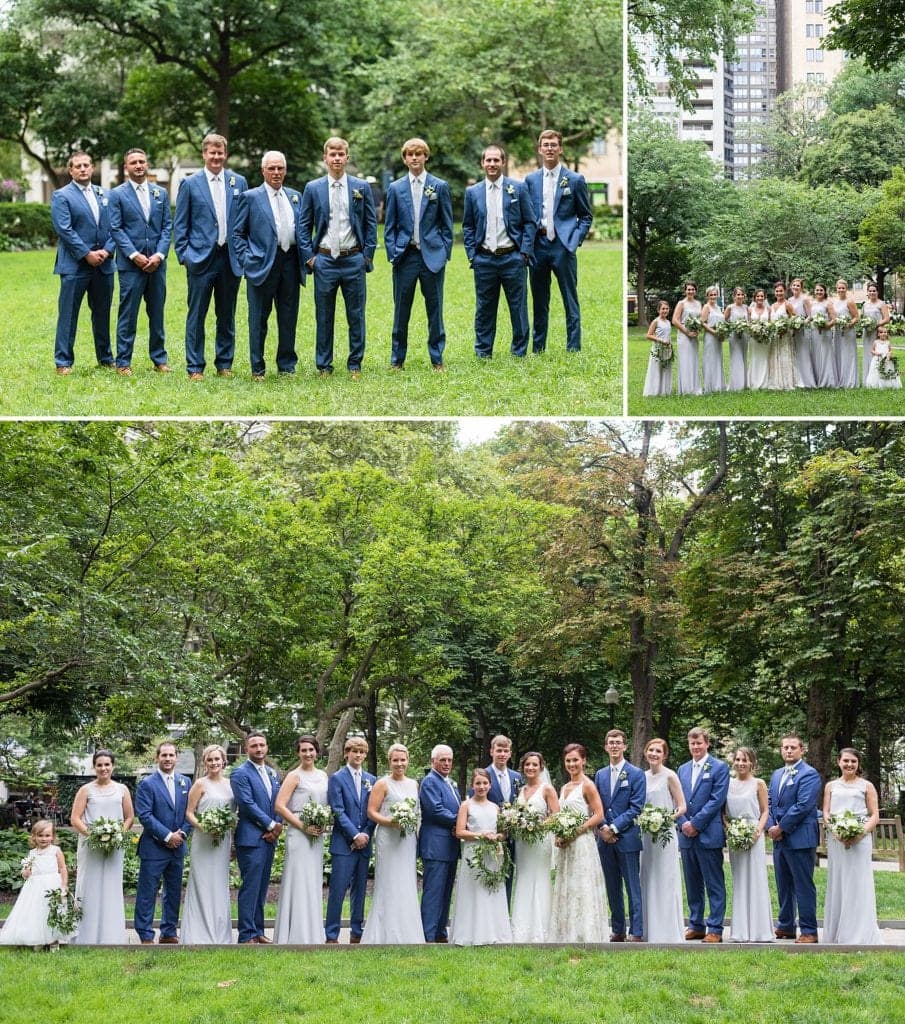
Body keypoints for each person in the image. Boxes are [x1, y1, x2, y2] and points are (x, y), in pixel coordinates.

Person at [298, 136, 378, 378]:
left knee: (356, 315)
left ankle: (355, 364)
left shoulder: (360, 187)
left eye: (340, 154)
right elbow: (303, 226)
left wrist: (366, 256)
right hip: (324, 261)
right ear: (325, 158)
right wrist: (310, 258)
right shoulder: (313, 188)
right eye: (332, 154)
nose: (336, 158)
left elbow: (370, 223)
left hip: (353, 259)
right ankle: (324, 365)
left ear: (347, 157)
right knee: (324, 316)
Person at [174, 133, 248, 380]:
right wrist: (184, 255)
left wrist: (243, 253)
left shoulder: (239, 182)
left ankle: (224, 363)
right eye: (212, 153)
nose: (216, 157)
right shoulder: (190, 183)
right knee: (197, 314)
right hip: (200, 258)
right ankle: (195, 366)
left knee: (226, 314)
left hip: (230, 258)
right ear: (204, 154)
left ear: (225, 154)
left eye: (220, 153)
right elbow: (181, 223)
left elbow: (245, 222)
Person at [229, 150, 303, 380]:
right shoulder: (249, 197)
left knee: (289, 316)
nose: (276, 172)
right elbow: (237, 233)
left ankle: (286, 365)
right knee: (258, 318)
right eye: (271, 168)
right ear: (263, 171)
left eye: (280, 168)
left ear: (285, 170)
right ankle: (257, 367)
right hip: (261, 265)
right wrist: (246, 260)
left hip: (290, 262)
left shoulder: (294, 196)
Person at [462, 143, 538, 359]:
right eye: (488, 160)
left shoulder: (518, 188)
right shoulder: (473, 192)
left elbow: (529, 222)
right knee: (484, 308)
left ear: (503, 163)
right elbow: (468, 225)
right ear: (482, 163)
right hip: (484, 259)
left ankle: (519, 351)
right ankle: (483, 352)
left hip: (512, 257)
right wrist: (472, 254)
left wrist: (524, 252)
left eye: (496, 160)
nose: (492, 164)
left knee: (518, 307)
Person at [384, 137, 453, 371]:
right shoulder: (395, 188)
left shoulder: (439, 186)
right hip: (405, 257)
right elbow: (390, 225)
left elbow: (446, 224)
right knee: (401, 310)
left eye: (419, 154)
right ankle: (397, 359)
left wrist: (444, 252)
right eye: (410, 154)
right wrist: (393, 252)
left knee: (435, 310)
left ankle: (437, 357)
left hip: (432, 256)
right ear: (405, 159)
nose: (414, 158)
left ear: (426, 156)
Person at [525, 128, 593, 353]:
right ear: (540, 149)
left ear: (561, 149)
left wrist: (575, 240)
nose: (550, 149)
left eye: (554, 145)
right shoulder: (530, 180)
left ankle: (573, 347)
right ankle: (538, 347)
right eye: (546, 145)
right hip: (538, 245)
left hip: (563, 246)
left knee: (569, 299)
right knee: (539, 300)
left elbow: (585, 216)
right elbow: (526, 215)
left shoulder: (574, 180)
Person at [108, 148, 172, 376]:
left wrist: (160, 255)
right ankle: (123, 362)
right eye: (133, 162)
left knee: (157, 313)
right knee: (128, 314)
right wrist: (134, 255)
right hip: (130, 266)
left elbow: (166, 227)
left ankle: (159, 359)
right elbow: (115, 228)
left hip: (157, 264)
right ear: (126, 167)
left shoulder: (160, 193)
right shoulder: (116, 194)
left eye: (142, 161)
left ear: (147, 164)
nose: (138, 165)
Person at [50, 151, 115, 375]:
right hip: (75, 265)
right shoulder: (62, 196)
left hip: (104, 265)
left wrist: (107, 250)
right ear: (71, 171)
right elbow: (64, 230)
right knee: (68, 314)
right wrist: (86, 253)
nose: (83, 169)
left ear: (92, 167)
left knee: (102, 313)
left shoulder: (104, 194)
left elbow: (115, 226)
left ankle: (106, 358)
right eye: (78, 166)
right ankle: (63, 362)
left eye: (86, 165)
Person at [361, 742, 423, 944]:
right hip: (388, 838)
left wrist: (412, 827)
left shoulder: (414, 784)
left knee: (406, 881)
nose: (399, 764)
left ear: (408, 761)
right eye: (395, 760)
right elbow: (371, 812)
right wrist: (391, 822)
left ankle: (407, 931)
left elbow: (417, 812)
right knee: (388, 881)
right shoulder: (382, 784)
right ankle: (384, 932)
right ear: (389, 761)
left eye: (402, 760)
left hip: (407, 840)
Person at [70, 749, 133, 945]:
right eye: (99, 765)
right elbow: (75, 818)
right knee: (89, 885)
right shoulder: (85, 790)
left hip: (115, 846)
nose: (103, 768)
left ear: (113, 766)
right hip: (91, 846)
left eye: (107, 764)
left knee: (111, 886)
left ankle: (111, 935)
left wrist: (118, 834)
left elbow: (129, 817)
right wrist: (94, 836)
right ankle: (85, 935)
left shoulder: (122, 789)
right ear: (94, 767)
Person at [548, 742, 608, 943]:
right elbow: (559, 815)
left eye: (575, 760)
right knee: (568, 885)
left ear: (583, 761)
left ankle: (585, 934)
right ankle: (567, 932)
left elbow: (599, 814)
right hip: (567, 845)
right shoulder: (564, 787)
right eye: (568, 761)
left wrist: (576, 831)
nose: (572, 764)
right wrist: (559, 834)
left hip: (582, 843)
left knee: (582, 886)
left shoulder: (588, 785)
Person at [822, 747, 882, 944]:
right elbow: (826, 813)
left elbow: (874, 815)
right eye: (846, 761)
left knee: (858, 883)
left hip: (860, 839)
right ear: (838, 761)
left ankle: (858, 933)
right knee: (838, 882)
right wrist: (836, 831)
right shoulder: (830, 786)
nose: (849, 764)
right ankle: (837, 932)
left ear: (858, 764)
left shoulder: (866, 786)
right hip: (836, 839)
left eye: (853, 762)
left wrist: (859, 834)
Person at [273, 735, 329, 944]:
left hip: (316, 834)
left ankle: (312, 933)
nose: (307, 754)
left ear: (317, 751)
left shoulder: (323, 776)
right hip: (299, 834)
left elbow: (325, 804)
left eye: (311, 750)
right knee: (298, 880)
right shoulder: (293, 776)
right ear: (298, 753)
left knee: (312, 882)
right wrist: (303, 826)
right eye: (303, 750)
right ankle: (294, 934)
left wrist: (322, 823)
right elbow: (279, 806)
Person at [134, 741, 192, 944]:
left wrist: (182, 835)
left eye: (171, 755)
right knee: (147, 892)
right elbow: (145, 815)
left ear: (176, 757)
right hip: (154, 847)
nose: (168, 759)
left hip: (177, 848)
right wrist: (168, 836)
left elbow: (190, 813)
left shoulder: (185, 782)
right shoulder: (147, 784)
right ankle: (145, 934)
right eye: (164, 755)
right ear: (157, 758)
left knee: (173, 892)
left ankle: (168, 932)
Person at [448, 768, 512, 945]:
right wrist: (481, 835)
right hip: (473, 853)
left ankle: (493, 932)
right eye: (478, 783)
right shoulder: (466, 805)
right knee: (473, 890)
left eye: (485, 783)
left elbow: (503, 833)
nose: (481, 787)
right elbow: (460, 832)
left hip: (492, 854)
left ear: (490, 785)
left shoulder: (495, 807)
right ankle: (470, 933)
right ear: (472, 785)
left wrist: (496, 837)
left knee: (490, 890)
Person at [677, 726, 729, 942]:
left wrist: (696, 823)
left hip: (708, 834)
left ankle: (715, 928)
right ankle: (696, 924)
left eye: (699, 743)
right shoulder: (682, 769)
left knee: (714, 883)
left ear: (707, 743)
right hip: (686, 835)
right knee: (692, 883)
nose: (696, 747)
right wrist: (683, 823)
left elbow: (717, 800)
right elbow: (677, 800)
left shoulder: (719, 767)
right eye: (692, 743)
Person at [766, 733, 820, 943]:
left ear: (801, 750)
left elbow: (803, 805)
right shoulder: (777, 774)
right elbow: (770, 802)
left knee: (803, 884)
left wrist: (782, 827)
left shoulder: (809, 774)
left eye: (792, 747)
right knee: (783, 884)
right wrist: (771, 826)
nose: (788, 751)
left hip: (800, 838)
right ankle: (786, 925)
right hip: (779, 838)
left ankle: (809, 931)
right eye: (785, 747)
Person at [231, 730, 283, 943]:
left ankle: (258, 931)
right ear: (246, 749)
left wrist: (277, 825)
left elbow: (278, 801)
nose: (259, 749)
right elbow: (247, 804)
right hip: (251, 839)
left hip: (269, 837)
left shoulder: (271, 773)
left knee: (262, 887)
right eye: (254, 746)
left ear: (267, 747)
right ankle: (246, 934)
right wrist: (271, 824)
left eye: (262, 745)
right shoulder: (239, 773)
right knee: (250, 887)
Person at [595, 729, 646, 942]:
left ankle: (636, 931)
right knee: (612, 886)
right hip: (604, 841)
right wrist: (603, 829)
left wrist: (614, 828)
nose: (614, 746)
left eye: (618, 742)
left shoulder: (636, 773)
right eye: (611, 742)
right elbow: (596, 805)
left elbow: (636, 807)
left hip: (627, 839)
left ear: (625, 746)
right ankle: (618, 929)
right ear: (606, 747)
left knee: (632, 886)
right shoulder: (600, 774)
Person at [182, 743, 235, 944]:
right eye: (210, 759)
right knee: (202, 883)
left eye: (217, 759)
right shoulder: (199, 784)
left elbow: (234, 813)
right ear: (205, 762)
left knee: (219, 884)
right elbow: (189, 813)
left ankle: (220, 935)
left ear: (223, 761)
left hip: (222, 840)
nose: (214, 763)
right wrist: (204, 827)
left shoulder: (231, 785)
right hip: (203, 840)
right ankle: (198, 934)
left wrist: (225, 827)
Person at [325, 736, 375, 944]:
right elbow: (337, 810)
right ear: (347, 753)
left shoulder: (372, 780)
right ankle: (332, 934)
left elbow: (374, 810)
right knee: (337, 890)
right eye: (354, 751)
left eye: (362, 752)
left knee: (360, 889)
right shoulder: (337, 778)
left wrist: (365, 834)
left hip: (364, 842)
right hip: (344, 844)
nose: (358, 755)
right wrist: (355, 835)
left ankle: (356, 930)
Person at [724, 747, 773, 942]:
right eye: (737, 759)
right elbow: (723, 813)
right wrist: (730, 830)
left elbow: (765, 811)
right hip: (735, 835)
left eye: (745, 760)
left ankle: (760, 930)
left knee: (756, 878)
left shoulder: (758, 783)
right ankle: (741, 930)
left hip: (754, 833)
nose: (741, 763)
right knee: (740, 880)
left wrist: (757, 832)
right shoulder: (727, 784)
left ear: (752, 762)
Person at [509, 751, 559, 942]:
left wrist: (537, 826)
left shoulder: (547, 789)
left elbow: (555, 815)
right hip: (523, 843)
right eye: (527, 764)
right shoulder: (520, 791)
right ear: (523, 767)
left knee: (540, 878)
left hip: (540, 842)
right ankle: (522, 927)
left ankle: (541, 928)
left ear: (541, 767)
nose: (530, 768)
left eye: (534, 765)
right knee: (524, 878)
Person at [640, 738, 686, 943]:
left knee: (665, 880)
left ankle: (668, 931)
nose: (654, 754)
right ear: (645, 752)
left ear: (664, 755)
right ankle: (650, 929)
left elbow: (682, 806)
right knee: (648, 878)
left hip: (665, 835)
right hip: (646, 835)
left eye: (658, 751)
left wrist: (665, 819)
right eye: (651, 750)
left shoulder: (670, 776)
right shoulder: (642, 777)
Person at [0, 820, 69, 947]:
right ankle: (38, 939)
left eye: (47, 835)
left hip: (52, 884)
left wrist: (64, 886)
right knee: (36, 912)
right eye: (40, 835)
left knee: (52, 911)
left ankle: (54, 940)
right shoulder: (32, 853)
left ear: (53, 836)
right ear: (34, 837)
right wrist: (25, 872)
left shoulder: (56, 850)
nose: (43, 838)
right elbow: (27, 873)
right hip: (35, 887)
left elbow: (63, 868)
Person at [418, 743, 461, 942]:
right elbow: (435, 810)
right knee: (433, 892)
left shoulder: (449, 783)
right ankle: (428, 934)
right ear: (433, 761)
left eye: (449, 760)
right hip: (436, 846)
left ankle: (440, 932)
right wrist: (461, 821)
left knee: (445, 892)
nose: (446, 763)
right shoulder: (430, 782)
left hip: (451, 846)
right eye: (442, 760)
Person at [483, 734, 523, 903]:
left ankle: (504, 918)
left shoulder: (516, 777)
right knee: (489, 876)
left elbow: (520, 804)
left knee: (508, 876)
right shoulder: (483, 775)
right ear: (492, 751)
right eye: (499, 750)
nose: (502, 754)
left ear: (510, 753)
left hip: (512, 837)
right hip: (490, 835)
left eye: (505, 751)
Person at [672, 281, 702, 395]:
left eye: (692, 289)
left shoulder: (699, 303)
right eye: (688, 289)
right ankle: (685, 389)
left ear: (696, 290)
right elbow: (675, 320)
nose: (690, 291)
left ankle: (694, 387)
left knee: (693, 360)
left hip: (694, 336)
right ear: (685, 291)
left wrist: (697, 329)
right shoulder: (681, 303)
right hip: (684, 335)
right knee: (685, 361)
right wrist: (687, 332)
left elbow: (701, 319)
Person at [767, 281, 797, 391]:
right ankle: (775, 380)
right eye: (777, 291)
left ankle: (786, 381)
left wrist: (786, 328)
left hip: (785, 335)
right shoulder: (772, 306)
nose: (779, 293)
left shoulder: (788, 304)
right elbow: (770, 321)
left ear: (785, 292)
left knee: (784, 356)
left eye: (781, 291)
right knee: (775, 355)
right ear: (774, 292)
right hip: (775, 336)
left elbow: (795, 319)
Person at [861, 282, 892, 384]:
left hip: (877, 332)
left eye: (874, 290)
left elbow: (887, 318)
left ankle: (878, 379)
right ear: (867, 292)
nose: (872, 292)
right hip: (867, 333)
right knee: (867, 354)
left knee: (877, 353)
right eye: (870, 291)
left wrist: (875, 325)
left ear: (877, 292)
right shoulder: (865, 305)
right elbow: (863, 318)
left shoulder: (881, 304)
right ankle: (868, 379)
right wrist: (865, 324)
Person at [832, 279, 859, 389]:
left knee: (848, 355)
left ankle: (849, 381)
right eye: (839, 288)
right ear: (836, 289)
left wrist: (848, 324)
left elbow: (856, 317)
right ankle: (839, 379)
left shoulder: (850, 302)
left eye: (843, 288)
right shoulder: (834, 302)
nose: (841, 290)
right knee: (838, 354)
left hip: (848, 332)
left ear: (846, 289)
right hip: (838, 332)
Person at [643, 299, 674, 397]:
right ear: (658, 310)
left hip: (667, 349)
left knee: (665, 368)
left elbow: (667, 335)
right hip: (658, 348)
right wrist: (661, 341)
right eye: (663, 309)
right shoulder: (656, 321)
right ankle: (654, 391)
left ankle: (664, 390)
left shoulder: (668, 322)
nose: (665, 311)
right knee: (657, 369)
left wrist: (669, 345)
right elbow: (648, 335)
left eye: (667, 309)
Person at [788, 278, 814, 388]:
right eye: (794, 285)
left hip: (803, 330)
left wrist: (801, 323)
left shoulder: (805, 300)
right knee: (794, 354)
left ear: (801, 288)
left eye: (798, 285)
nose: (795, 287)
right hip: (793, 331)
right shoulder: (789, 300)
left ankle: (807, 381)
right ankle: (797, 380)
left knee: (804, 354)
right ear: (790, 287)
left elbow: (810, 316)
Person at [809, 282, 837, 388]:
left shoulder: (828, 303)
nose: (819, 292)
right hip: (814, 332)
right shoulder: (812, 303)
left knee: (825, 354)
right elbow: (810, 318)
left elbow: (834, 319)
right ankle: (817, 379)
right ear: (814, 291)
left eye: (821, 290)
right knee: (816, 354)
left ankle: (828, 380)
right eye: (817, 290)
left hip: (825, 333)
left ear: (824, 292)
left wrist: (826, 326)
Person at [701, 286, 726, 394]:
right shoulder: (706, 307)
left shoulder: (718, 307)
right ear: (707, 296)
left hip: (718, 337)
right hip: (710, 337)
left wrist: (722, 332)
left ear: (717, 295)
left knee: (717, 359)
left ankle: (718, 384)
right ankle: (710, 386)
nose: (713, 296)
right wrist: (713, 332)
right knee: (710, 359)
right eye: (711, 295)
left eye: (715, 294)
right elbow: (702, 323)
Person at [724, 287, 749, 391]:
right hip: (734, 336)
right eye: (738, 294)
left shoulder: (746, 308)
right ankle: (736, 385)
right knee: (736, 358)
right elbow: (724, 321)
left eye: (741, 294)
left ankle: (744, 383)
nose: (740, 296)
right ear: (734, 296)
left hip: (744, 336)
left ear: (744, 296)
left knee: (743, 357)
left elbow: (749, 321)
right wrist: (732, 327)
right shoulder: (730, 307)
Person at [747, 288, 771, 391]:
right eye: (758, 296)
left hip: (765, 339)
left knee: (765, 358)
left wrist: (765, 331)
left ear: (765, 297)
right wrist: (753, 331)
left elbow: (770, 323)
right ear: (754, 298)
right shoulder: (750, 309)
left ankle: (765, 382)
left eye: (762, 296)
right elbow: (748, 324)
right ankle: (753, 381)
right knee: (754, 358)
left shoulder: (769, 309)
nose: (760, 298)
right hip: (754, 339)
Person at [865, 324, 902, 388]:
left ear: (887, 333)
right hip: (877, 359)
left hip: (886, 359)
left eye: (885, 332)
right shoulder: (876, 342)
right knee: (876, 371)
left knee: (886, 370)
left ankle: (887, 383)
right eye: (881, 332)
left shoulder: (888, 342)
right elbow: (872, 350)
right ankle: (875, 383)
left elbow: (890, 350)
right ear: (878, 334)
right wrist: (876, 353)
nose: (883, 333)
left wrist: (889, 354)